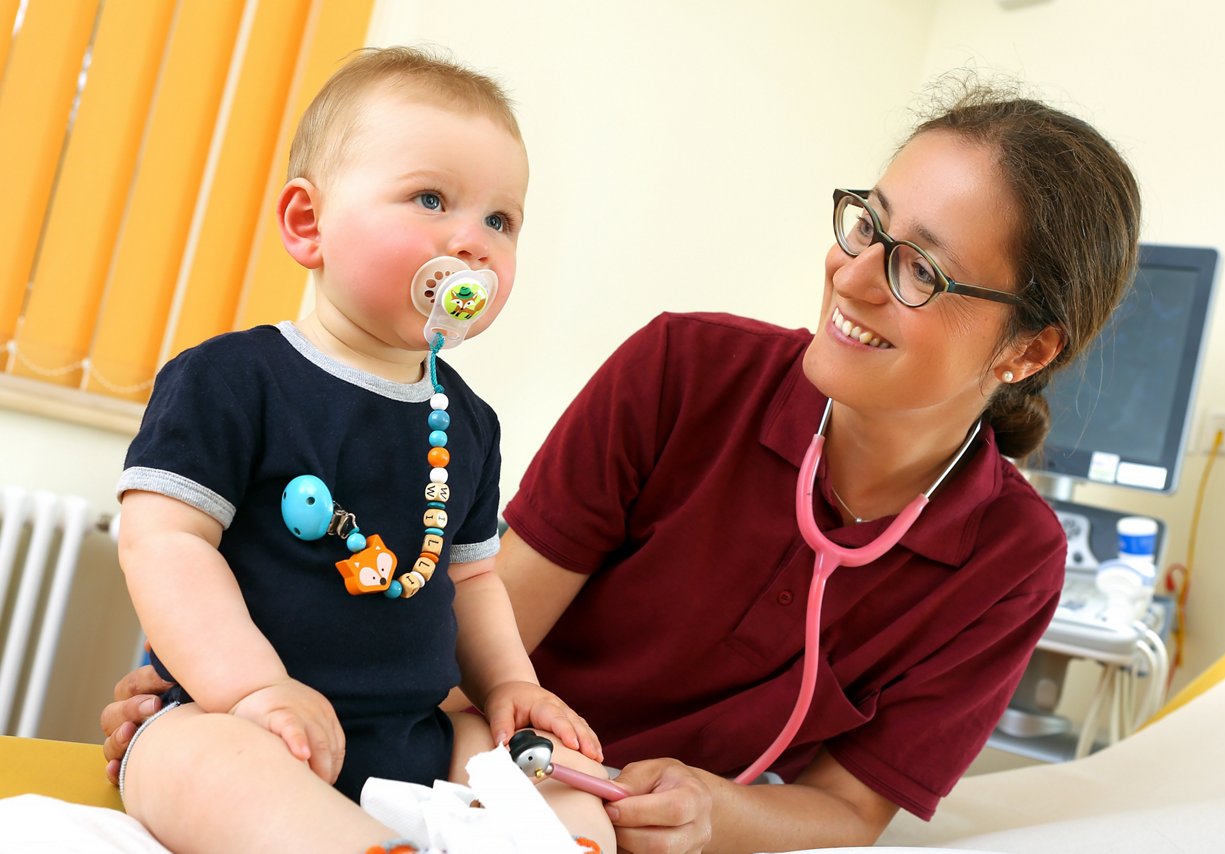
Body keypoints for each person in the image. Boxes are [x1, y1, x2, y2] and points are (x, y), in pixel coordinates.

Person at [105, 78, 1141, 853]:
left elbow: (846, 807)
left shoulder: (1008, 559)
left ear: (1025, 349)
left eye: (917, 267)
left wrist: (712, 807)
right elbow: (462, 622)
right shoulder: (684, 369)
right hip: (461, 743)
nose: (852, 274)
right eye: (865, 223)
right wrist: (237, 681)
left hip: (557, 801)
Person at [111, 46, 615, 854]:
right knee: (202, 764)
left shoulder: (469, 424)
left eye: (501, 219)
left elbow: (474, 578)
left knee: (542, 774)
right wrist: (253, 691)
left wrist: (512, 684)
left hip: (419, 737)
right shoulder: (233, 378)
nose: (474, 241)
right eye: (430, 198)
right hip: (239, 721)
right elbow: (163, 541)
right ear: (309, 224)